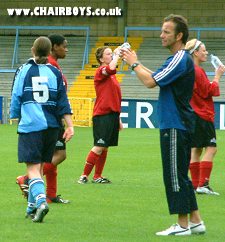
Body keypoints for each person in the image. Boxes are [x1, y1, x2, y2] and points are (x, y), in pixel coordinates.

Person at [122, 14, 206, 236]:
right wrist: (135, 63)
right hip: (180, 123)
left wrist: (133, 63)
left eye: (166, 32)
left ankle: (182, 225)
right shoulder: (177, 60)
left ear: (179, 36)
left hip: (175, 124)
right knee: (181, 174)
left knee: (174, 175)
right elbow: (156, 77)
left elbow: (150, 82)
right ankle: (196, 221)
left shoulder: (180, 58)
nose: (161, 35)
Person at [10, 36, 74, 222]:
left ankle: (40, 202)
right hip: (52, 127)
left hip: (31, 125)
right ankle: (31, 209)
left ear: (33, 49)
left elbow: (16, 95)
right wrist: (70, 125)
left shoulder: (24, 70)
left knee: (32, 168)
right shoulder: (54, 72)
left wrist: (15, 115)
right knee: (38, 167)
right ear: (49, 52)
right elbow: (63, 101)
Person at [78, 46, 123, 184]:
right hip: (103, 114)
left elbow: (114, 97)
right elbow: (109, 69)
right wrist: (117, 55)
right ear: (101, 58)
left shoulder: (112, 76)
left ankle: (97, 176)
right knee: (99, 146)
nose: (111, 55)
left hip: (111, 114)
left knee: (105, 147)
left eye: (111, 53)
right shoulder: (101, 71)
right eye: (108, 54)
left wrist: (118, 118)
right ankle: (84, 176)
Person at [185, 39, 225, 195]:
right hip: (202, 114)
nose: (206, 52)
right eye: (203, 50)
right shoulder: (197, 70)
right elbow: (209, 90)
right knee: (211, 148)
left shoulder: (189, 70)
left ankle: (196, 186)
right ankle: (203, 184)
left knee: (196, 149)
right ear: (195, 52)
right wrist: (217, 76)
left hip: (193, 114)